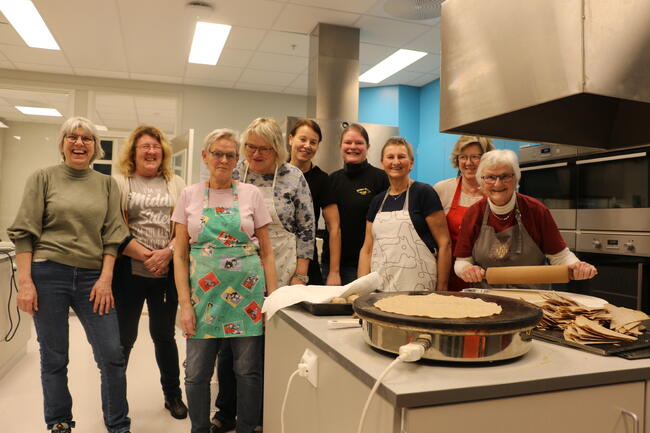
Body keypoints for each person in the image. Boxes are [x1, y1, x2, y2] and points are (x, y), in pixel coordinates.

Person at [8, 117, 131, 433]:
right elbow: (24, 233)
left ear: (95, 147)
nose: (79, 143)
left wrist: (105, 279)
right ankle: (59, 421)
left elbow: (113, 235)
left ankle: (118, 425)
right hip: (48, 272)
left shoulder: (106, 184)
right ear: (62, 144)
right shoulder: (43, 178)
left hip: (92, 278)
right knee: (54, 355)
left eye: (87, 138)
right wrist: (26, 283)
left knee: (112, 355)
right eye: (72, 137)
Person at [212, 117, 315, 433]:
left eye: (264, 149)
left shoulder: (293, 177)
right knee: (230, 345)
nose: (255, 155)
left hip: (280, 272)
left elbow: (307, 229)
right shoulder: (234, 173)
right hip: (235, 272)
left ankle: (258, 417)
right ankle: (225, 412)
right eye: (250, 147)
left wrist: (300, 275)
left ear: (278, 150)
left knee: (268, 349)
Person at [172, 128, 277, 433]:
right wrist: (184, 304)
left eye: (230, 154)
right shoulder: (189, 195)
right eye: (217, 153)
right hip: (202, 299)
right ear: (205, 156)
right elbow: (179, 255)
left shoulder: (251, 194)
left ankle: (246, 428)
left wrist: (273, 299)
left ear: (237, 159)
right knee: (195, 373)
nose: (224, 159)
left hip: (247, 296)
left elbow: (267, 253)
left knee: (248, 371)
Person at [112, 126, 187, 419]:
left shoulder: (176, 183)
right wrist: (147, 255)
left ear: (163, 152)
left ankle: (172, 395)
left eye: (156, 147)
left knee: (164, 336)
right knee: (124, 338)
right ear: (133, 152)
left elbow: (184, 226)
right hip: (128, 272)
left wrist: (167, 252)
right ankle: (115, 399)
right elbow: (114, 227)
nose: (151, 151)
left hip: (166, 272)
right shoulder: (120, 183)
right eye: (144, 146)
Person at [455, 149, 597, 288]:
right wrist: (466, 269)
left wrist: (577, 266)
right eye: (490, 177)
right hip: (486, 300)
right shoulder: (473, 214)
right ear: (482, 180)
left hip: (534, 299)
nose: (498, 184)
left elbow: (559, 256)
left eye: (505, 176)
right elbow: (461, 261)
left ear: (516, 177)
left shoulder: (536, 211)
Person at [358, 137, 451, 291]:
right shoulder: (377, 201)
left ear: (411, 163)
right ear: (382, 163)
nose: (396, 162)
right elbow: (367, 248)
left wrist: (442, 286)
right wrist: (361, 288)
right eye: (390, 157)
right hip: (380, 289)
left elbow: (444, 243)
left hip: (419, 288)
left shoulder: (424, 193)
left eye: (401, 157)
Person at [324, 123, 389, 285]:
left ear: (368, 146)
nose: (353, 147)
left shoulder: (381, 179)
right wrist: (334, 271)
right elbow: (332, 226)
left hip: (370, 265)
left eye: (359, 143)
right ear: (340, 146)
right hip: (333, 266)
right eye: (348, 142)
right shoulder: (331, 180)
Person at [434, 135, 495, 291]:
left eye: (475, 157)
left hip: (489, 277)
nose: (468, 163)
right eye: (463, 157)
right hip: (450, 276)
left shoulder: (497, 192)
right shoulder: (443, 190)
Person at [288, 118, 342, 285]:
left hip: (307, 263)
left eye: (313, 142)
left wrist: (334, 272)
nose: (307, 145)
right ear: (291, 139)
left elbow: (334, 227)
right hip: (278, 256)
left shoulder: (322, 179)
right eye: (302, 139)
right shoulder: (277, 173)